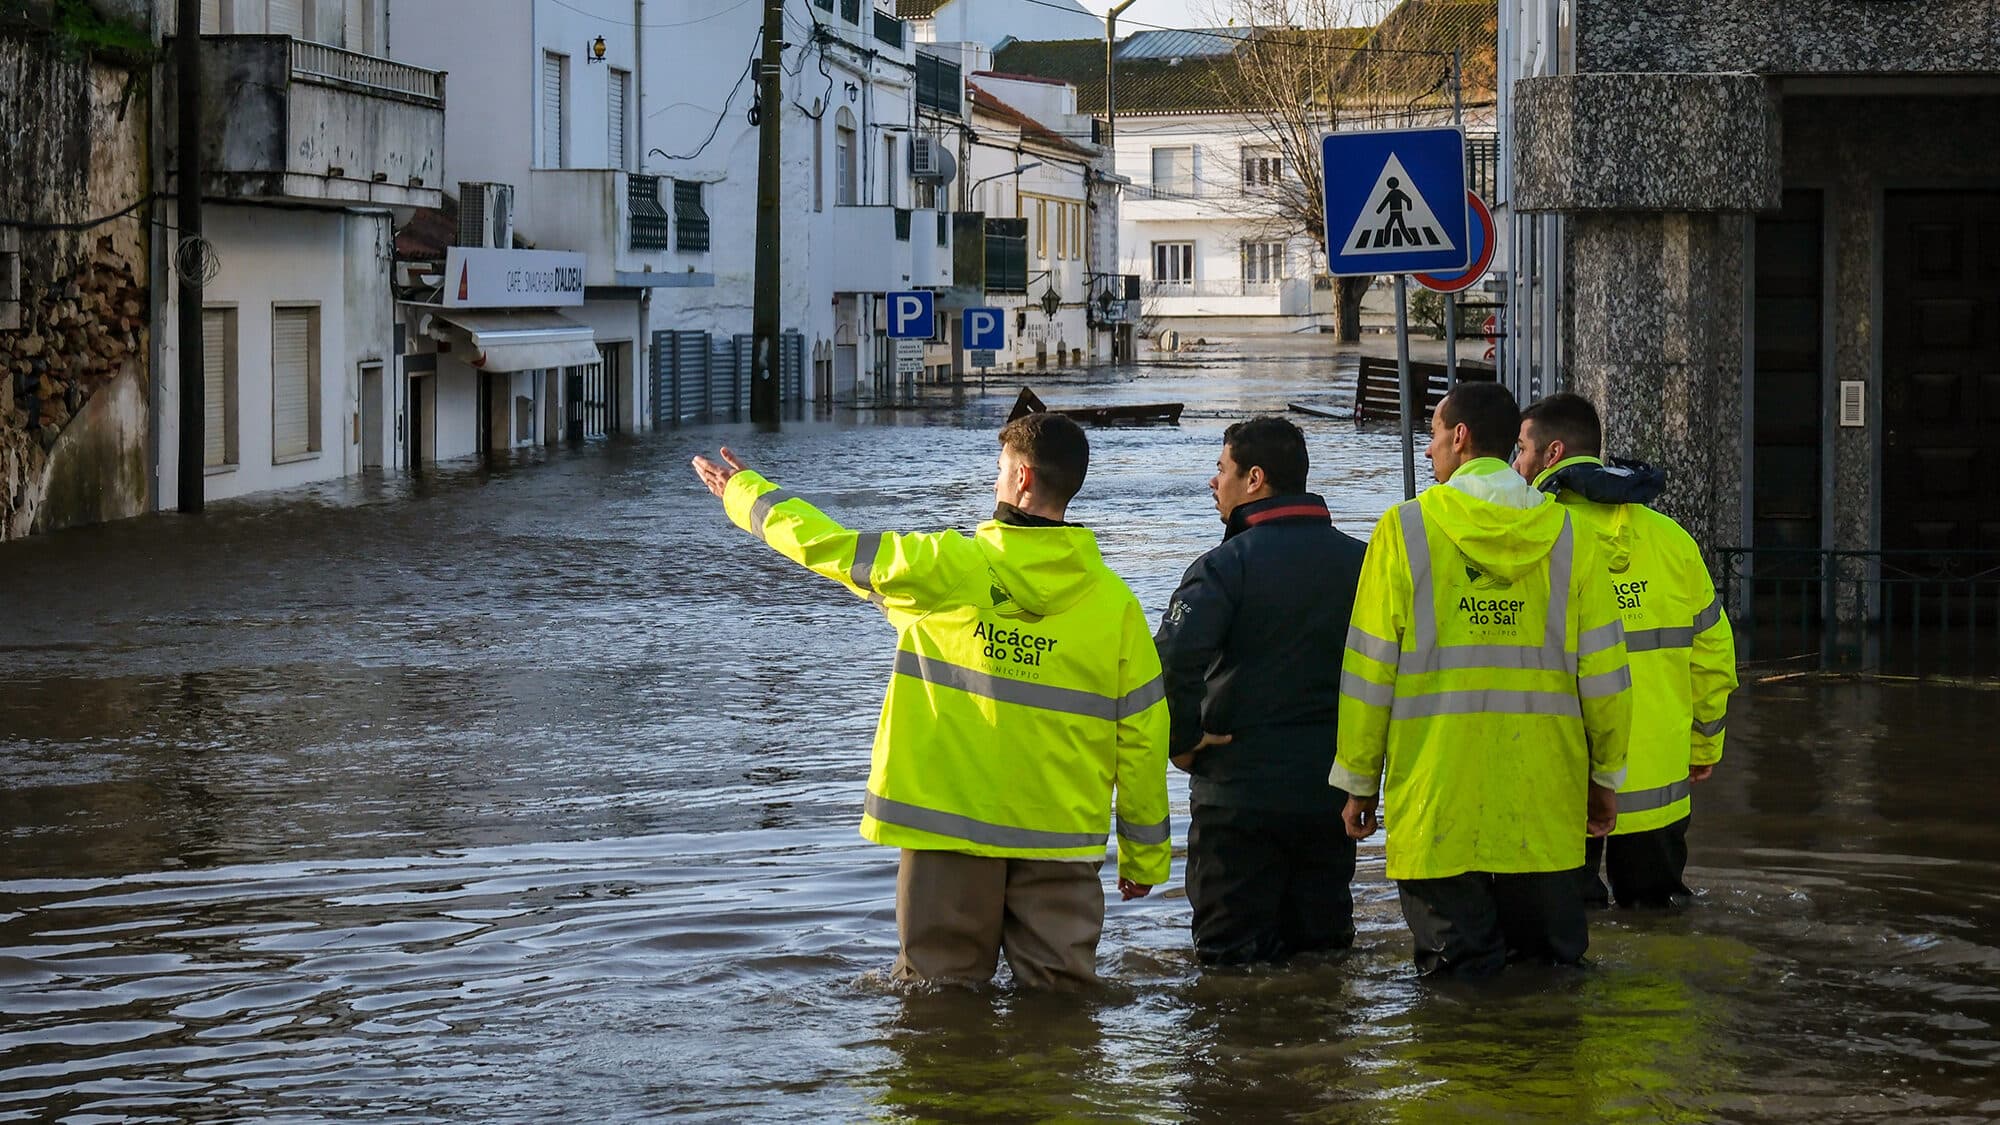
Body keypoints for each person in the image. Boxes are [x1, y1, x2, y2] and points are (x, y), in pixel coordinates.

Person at [689, 412, 1170, 989]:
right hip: (1061, 841)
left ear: (1020, 479)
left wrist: (747, 494)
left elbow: (833, 547)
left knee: (936, 1002)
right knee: (1060, 1004)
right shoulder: (1116, 605)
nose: (995, 483)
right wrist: (1144, 859)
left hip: (949, 835)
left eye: (998, 471)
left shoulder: (944, 567)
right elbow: (1143, 738)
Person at [1331, 381, 1633, 977]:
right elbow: (1605, 676)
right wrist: (1605, 777)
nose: (1429, 451)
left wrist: (1360, 782)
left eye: (1434, 436)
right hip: (1543, 804)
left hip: (1436, 803)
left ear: (1460, 438)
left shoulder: (1404, 530)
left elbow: (1369, 673)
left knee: (1457, 991)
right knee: (1551, 982)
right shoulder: (1571, 537)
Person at [1154, 417, 1366, 964]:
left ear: (1254, 478)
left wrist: (1182, 740)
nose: (1212, 482)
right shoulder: (1364, 563)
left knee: (1230, 968)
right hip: (1331, 794)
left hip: (1238, 798)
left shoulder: (1223, 566)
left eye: (1220, 469)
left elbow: (1174, 659)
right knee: (1323, 957)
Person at [1514, 392, 1738, 909]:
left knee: (1567, 934)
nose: (1516, 463)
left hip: (1566, 783)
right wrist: (1703, 746)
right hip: (1659, 784)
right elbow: (1714, 656)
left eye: (1522, 449)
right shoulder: (1672, 540)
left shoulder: (1536, 539)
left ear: (1551, 455)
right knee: (1659, 929)